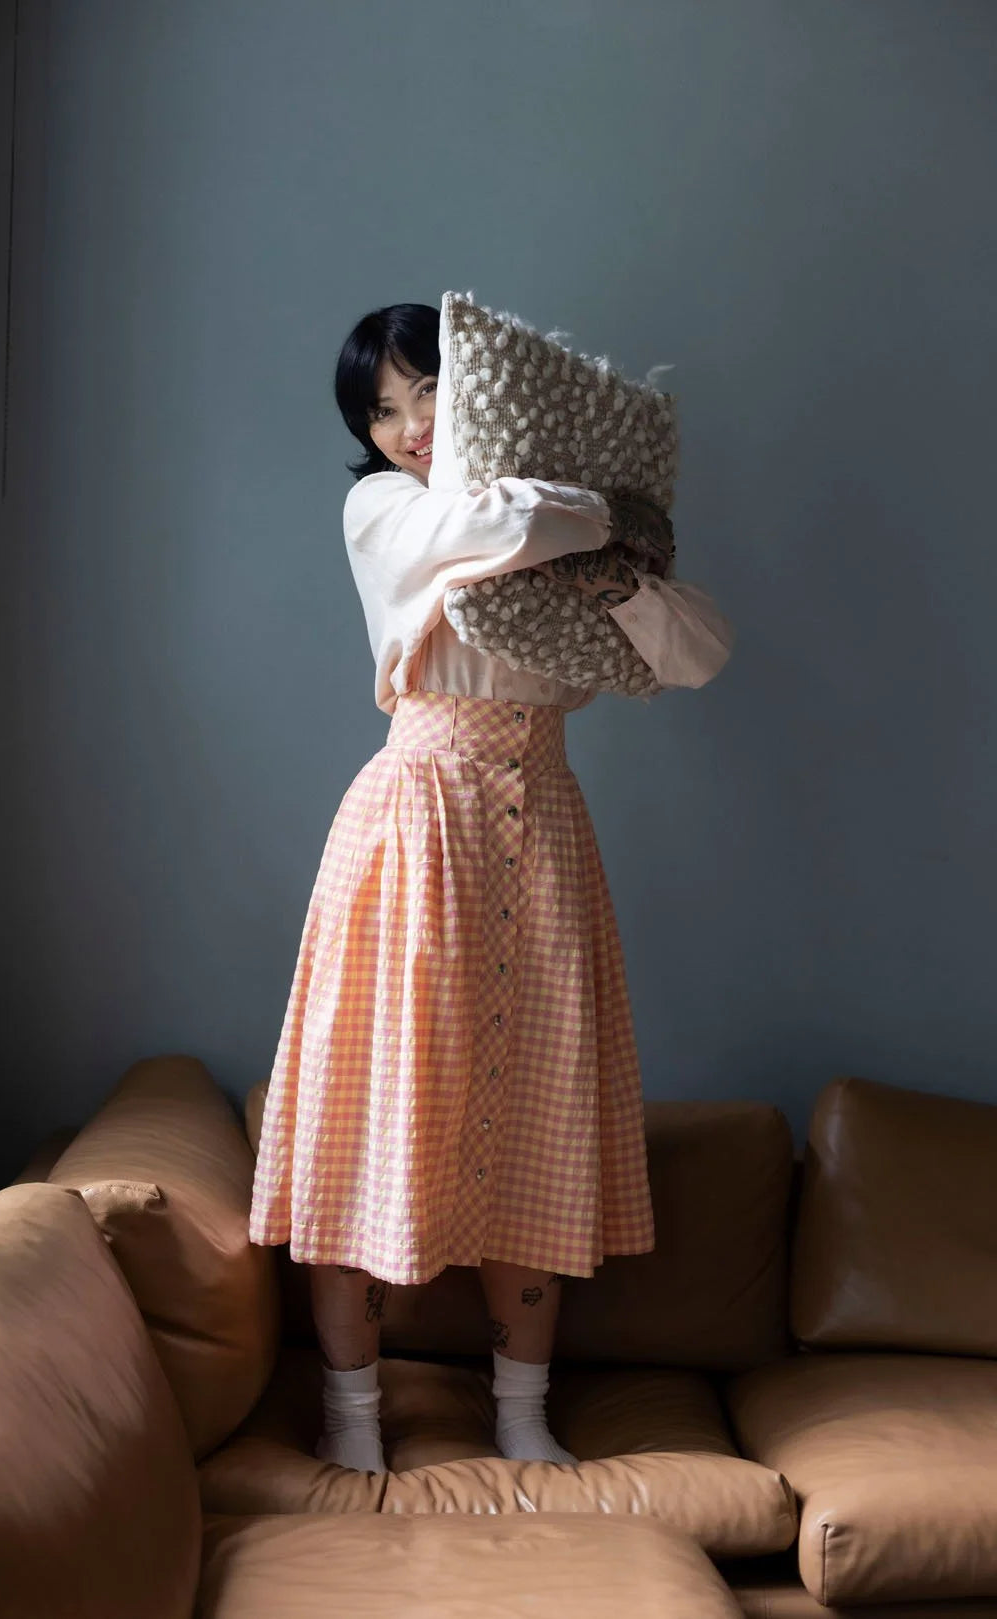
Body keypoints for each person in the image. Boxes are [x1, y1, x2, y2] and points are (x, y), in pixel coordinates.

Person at [249, 302, 655, 1474]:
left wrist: (601, 545)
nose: (407, 425)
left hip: (545, 829)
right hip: (413, 821)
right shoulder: (382, 507)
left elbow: (684, 641)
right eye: (380, 408)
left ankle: (522, 1410)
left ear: (475, 389)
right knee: (370, 1114)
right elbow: (507, 517)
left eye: (426, 391)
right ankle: (353, 1414)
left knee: (537, 1115)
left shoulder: (483, 514)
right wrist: (603, 516)